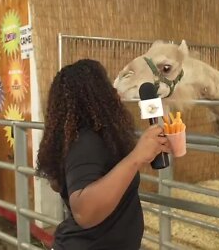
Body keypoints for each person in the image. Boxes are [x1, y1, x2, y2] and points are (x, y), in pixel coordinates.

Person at [36, 59, 171, 250]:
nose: (114, 91)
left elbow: (65, 182)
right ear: (96, 94)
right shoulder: (86, 140)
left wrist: (146, 152)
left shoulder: (96, 137)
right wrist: (136, 158)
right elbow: (84, 212)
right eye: (106, 84)